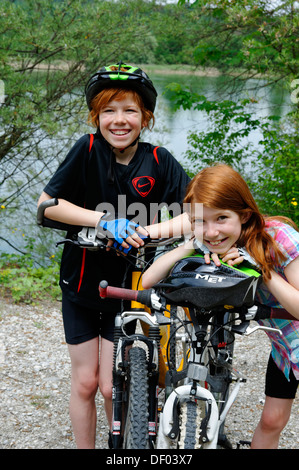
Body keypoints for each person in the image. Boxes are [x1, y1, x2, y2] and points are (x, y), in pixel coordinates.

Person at [38, 62, 191, 449]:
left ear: (146, 117)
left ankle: (122, 448)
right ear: (96, 116)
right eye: (109, 110)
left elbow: (197, 216)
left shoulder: (160, 161)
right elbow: (46, 207)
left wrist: (147, 232)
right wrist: (106, 222)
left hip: (131, 286)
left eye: (129, 110)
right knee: (86, 382)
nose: (119, 120)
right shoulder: (86, 149)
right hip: (82, 283)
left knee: (111, 386)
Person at [142, 163, 299, 449]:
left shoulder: (278, 238)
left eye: (222, 218)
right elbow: (148, 280)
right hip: (286, 350)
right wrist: (189, 244)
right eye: (200, 221)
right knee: (272, 421)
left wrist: (262, 269)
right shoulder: (211, 239)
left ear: (244, 215)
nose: (212, 231)